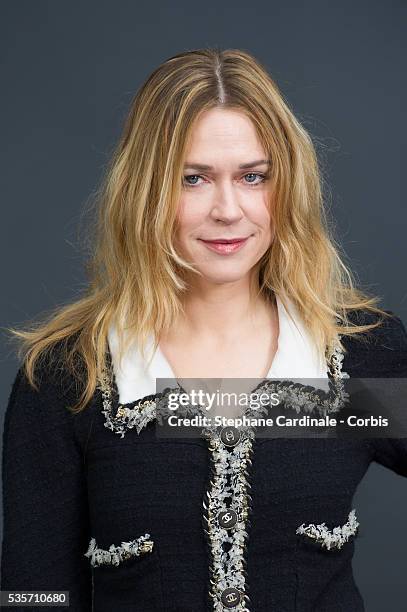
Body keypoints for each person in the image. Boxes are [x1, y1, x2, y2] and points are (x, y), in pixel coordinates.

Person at [1, 47, 406, 612]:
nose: (227, 209)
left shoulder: (357, 361)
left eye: (253, 176)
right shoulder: (72, 376)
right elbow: (33, 592)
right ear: (144, 191)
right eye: (193, 178)